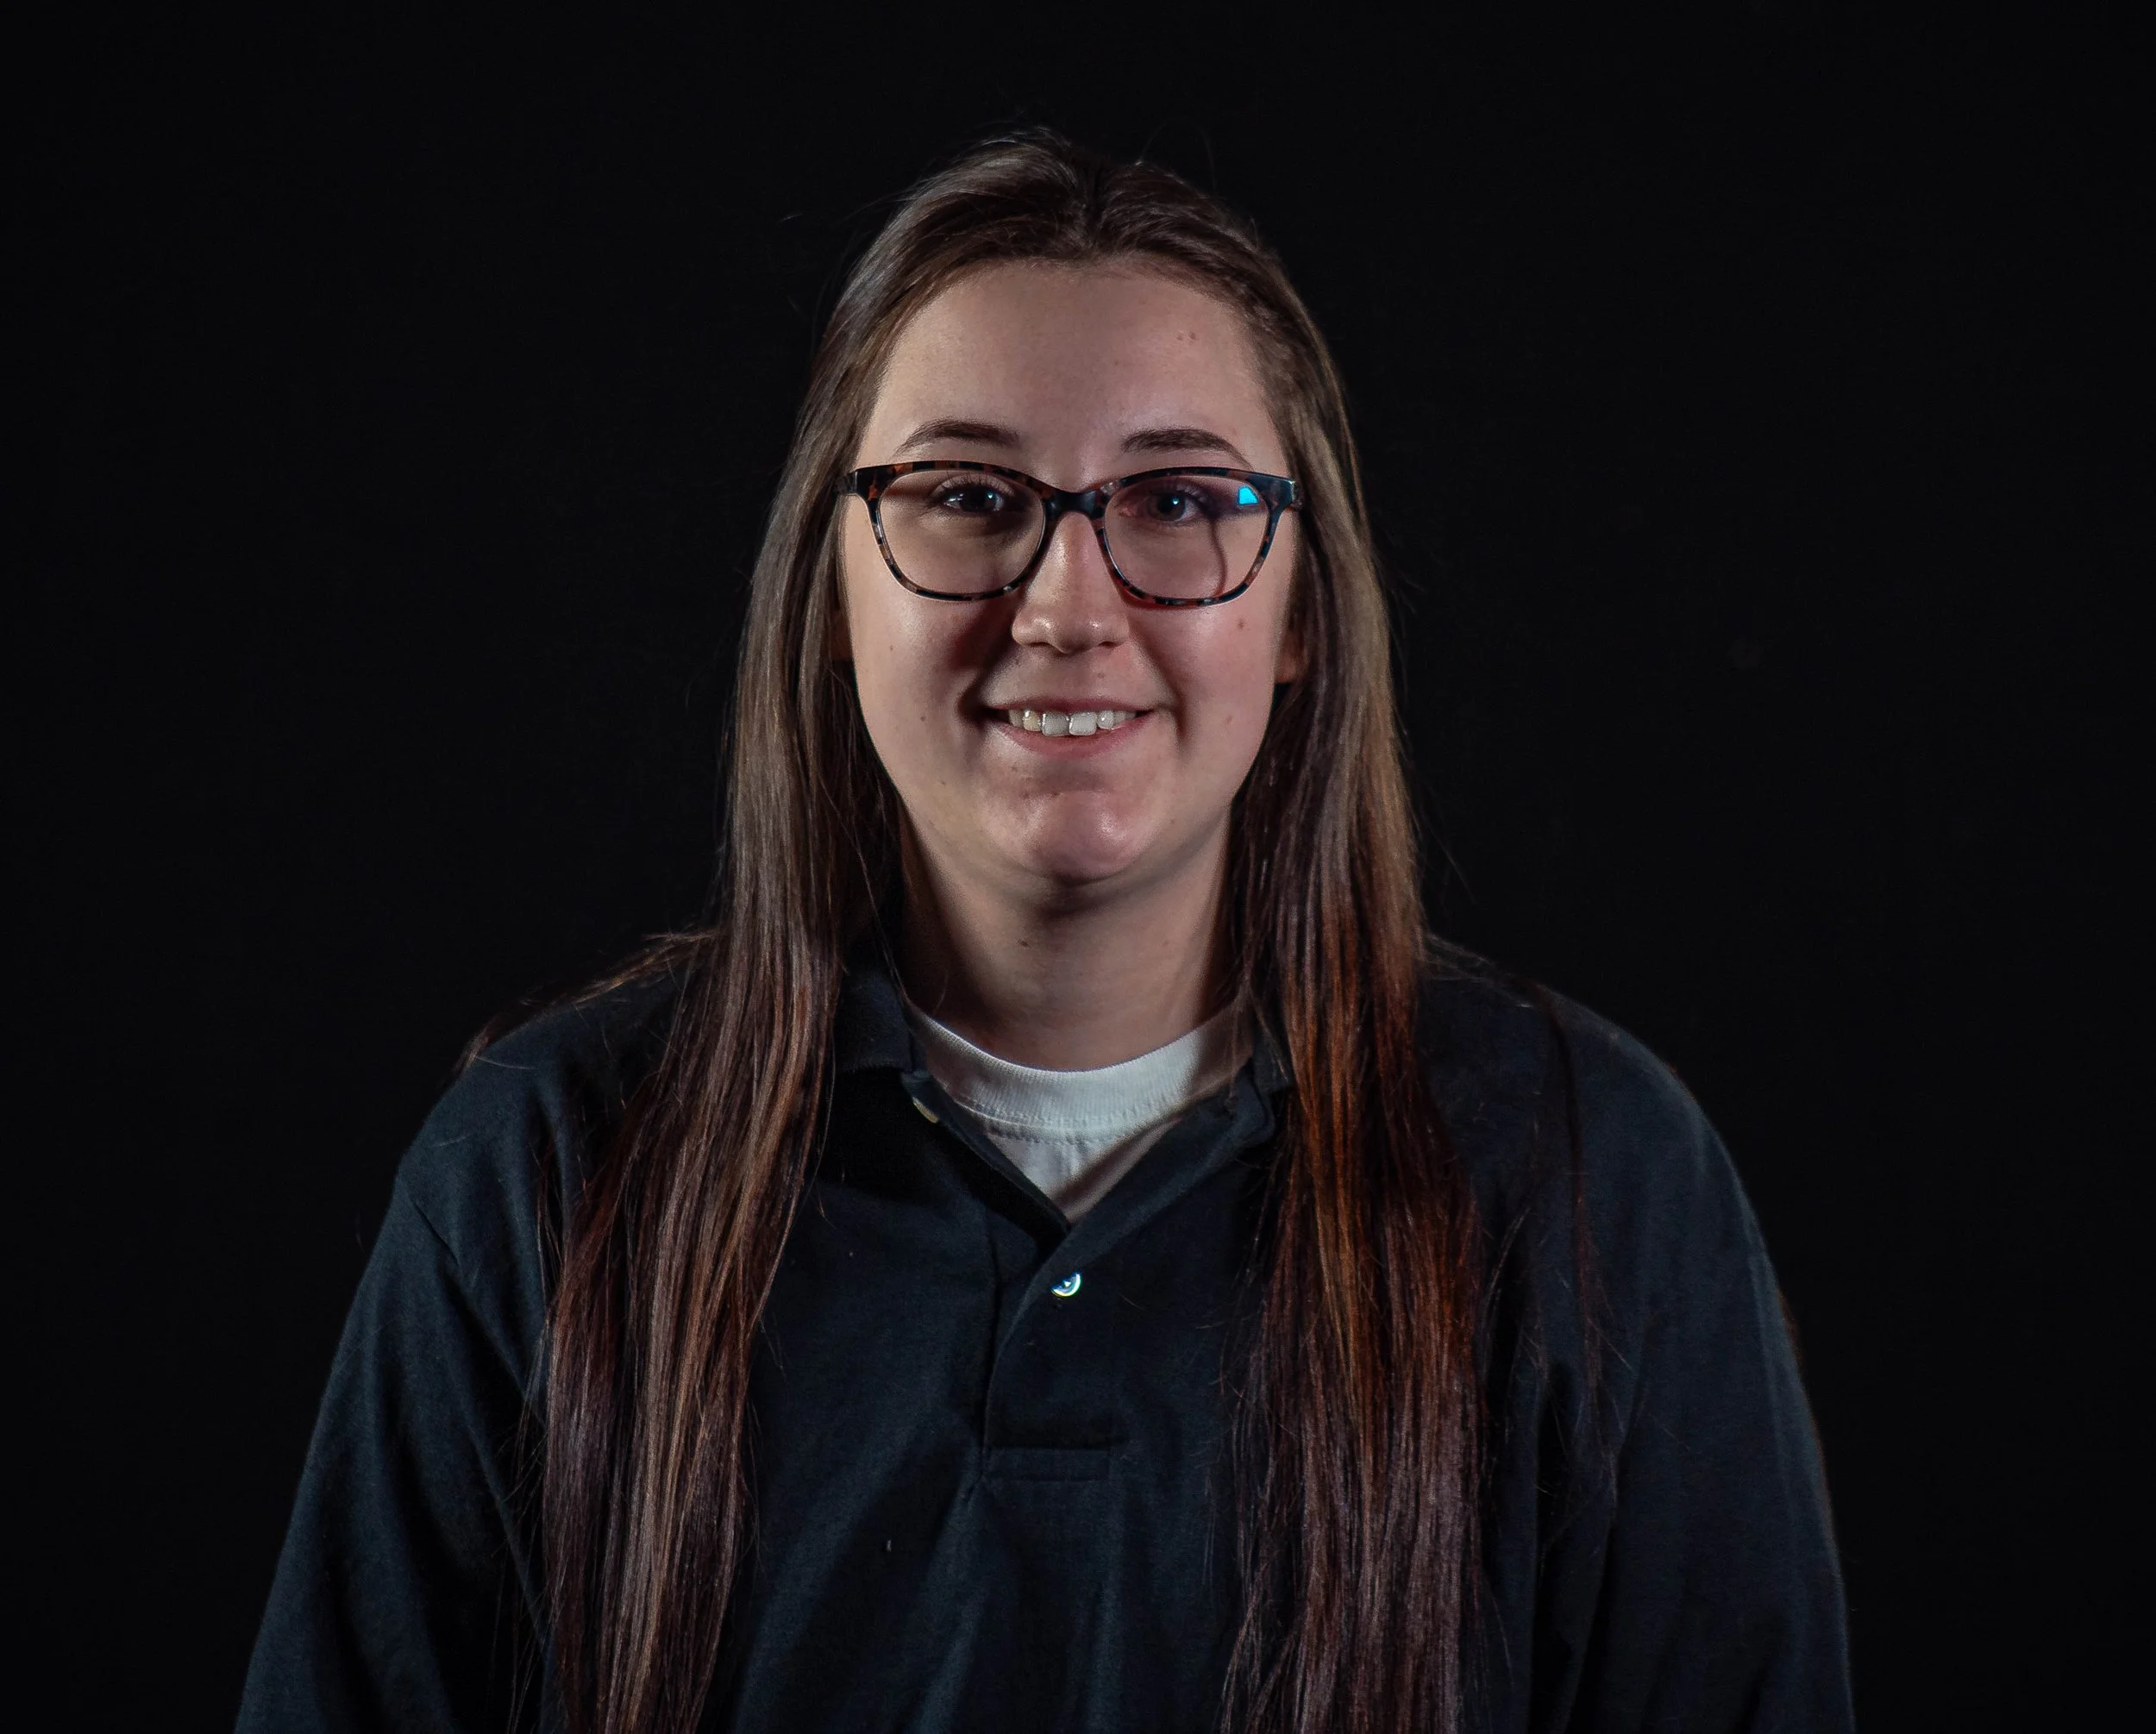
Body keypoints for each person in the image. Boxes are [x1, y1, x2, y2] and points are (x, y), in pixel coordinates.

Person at [237, 133, 1853, 1734]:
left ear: (1299, 610)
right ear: (833, 594)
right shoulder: (544, 1174)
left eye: (1176, 499)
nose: (1069, 605)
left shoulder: (1592, 1184)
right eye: (963, 495)